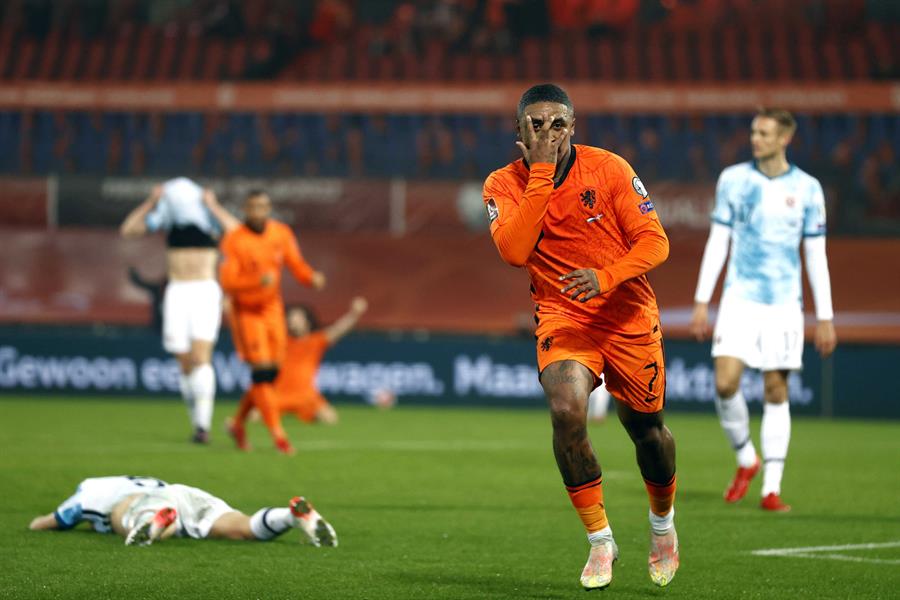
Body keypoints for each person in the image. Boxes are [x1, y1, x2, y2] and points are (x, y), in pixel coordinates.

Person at [482, 84, 678, 590]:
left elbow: (656, 242)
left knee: (647, 432)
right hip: (563, 315)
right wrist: (541, 173)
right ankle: (599, 541)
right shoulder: (501, 185)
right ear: (518, 131)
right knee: (567, 411)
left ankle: (662, 528)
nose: (548, 132)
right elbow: (514, 251)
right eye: (536, 124)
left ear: (574, 127)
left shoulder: (610, 168)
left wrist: (607, 276)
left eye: (558, 123)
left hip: (627, 314)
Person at [690, 108, 836, 512]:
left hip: (784, 304)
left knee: (776, 388)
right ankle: (745, 458)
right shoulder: (734, 180)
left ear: (785, 137)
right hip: (739, 299)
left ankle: (771, 487)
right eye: (754, 131)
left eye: (765, 133)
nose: (756, 139)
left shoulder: (807, 189)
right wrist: (703, 300)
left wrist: (825, 317)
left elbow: (815, 255)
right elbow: (718, 241)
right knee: (724, 383)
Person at [120, 179, 241, 444]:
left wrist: (215, 206)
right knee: (185, 364)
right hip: (176, 291)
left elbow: (239, 233)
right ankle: (196, 423)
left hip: (205, 290)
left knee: (201, 357)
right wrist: (151, 202)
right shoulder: (166, 219)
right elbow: (128, 230)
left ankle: (203, 426)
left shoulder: (210, 218)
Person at [220, 190, 326, 455]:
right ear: (245, 209)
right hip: (246, 311)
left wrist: (311, 278)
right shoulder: (234, 240)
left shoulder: (281, 233)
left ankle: (237, 424)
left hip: (272, 310)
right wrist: (256, 282)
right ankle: (279, 437)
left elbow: (295, 263)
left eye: (264, 206)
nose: (259, 212)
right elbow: (228, 281)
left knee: (270, 374)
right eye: (254, 207)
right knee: (262, 373)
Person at [28, 475, 336, 547]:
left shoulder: (90, 490)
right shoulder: (125, 477)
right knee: (239, 526)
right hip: (185, 493)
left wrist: (34, 524)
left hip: (149, 501)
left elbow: (52, 521)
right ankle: (290, 515)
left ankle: (155, 523)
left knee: (118, 515)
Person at [276, 297, 369, 426]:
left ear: (307, 321)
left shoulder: (316, 341)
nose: (292, 320)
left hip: (307, 396)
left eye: (297, 317)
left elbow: (339, 329)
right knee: (254, 417)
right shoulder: (280, 340)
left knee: (331, 419)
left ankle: (307, 415)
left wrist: (355, 313)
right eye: (290, 317)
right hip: (279, 394)